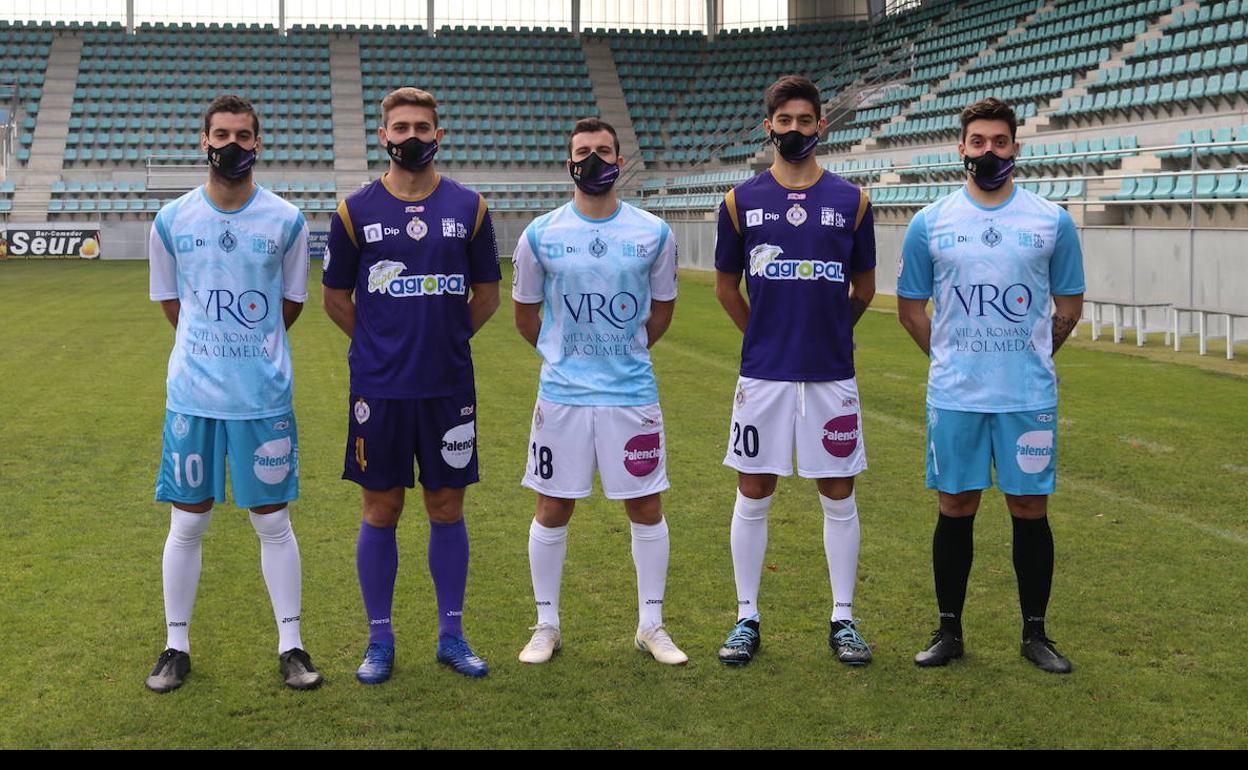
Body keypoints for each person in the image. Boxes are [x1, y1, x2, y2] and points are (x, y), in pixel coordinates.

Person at [896, 97, 1085, 674]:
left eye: (998, 142)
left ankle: (1036, 634)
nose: (988, 152)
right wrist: (954, 358)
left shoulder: (1051, 220)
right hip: (956, 397)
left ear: (1015, 149)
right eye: (977, 142)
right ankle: (948, 630)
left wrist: (1029, 356)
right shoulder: (931, 222)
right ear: (961, 149)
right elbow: (910, 309)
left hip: (1027, 398)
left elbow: (1069, 308)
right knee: (955, 505)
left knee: (1030, 507)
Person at [322, 87, 502, 682]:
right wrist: (378, 342)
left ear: (439, 134)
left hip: (448, 386)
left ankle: (451, 634)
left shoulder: (470, 207)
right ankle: (380, 641)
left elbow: (487, 295)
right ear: (384, 136)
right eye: (401, 127)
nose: (413, 137)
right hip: (381, 388)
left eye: (423, 127)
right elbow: (335, 298)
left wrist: (446, 339)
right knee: (382, 507)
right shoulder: (354, 211)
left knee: (446, 505)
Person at [146, 94, 319, 693]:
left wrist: (248, 352)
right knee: (187, 523)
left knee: (272, 520)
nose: (231, 145)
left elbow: (289, 304)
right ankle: (175, 644)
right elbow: (174, 305)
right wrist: (208, 347)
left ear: (258, 144)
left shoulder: (286, 221)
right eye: (221, 135)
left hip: (261, 399)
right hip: (192, 397)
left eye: (243, 136)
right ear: (204, 141)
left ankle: (292, 645)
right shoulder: (171, 221)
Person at [713, 75, 877, 667]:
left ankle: (843, 619)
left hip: (831, 374)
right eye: (785, 122)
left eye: (805, 121)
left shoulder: (852, 201)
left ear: (821, 127)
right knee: (754, 489)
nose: (795, 130)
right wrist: (762, 334)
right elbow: (728, 289)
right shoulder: (740, 201)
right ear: (769, 128)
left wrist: (833, 327)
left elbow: (864, 288)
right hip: (764, 376)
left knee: (837, 491)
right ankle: (746, 617)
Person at [511, 117, 685, 666]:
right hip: (562, 396)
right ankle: (546, 623)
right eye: (582, 151)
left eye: (602, 151)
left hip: (631, 395)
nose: (592, 160)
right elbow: (525, 315)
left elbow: (660, 314)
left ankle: (651, 625)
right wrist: (567, 359)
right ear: (569, 162)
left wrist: (622, 355)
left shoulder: (653, 232)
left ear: (618, 159)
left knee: (645, 504)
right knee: (553, 504)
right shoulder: (540, 233)